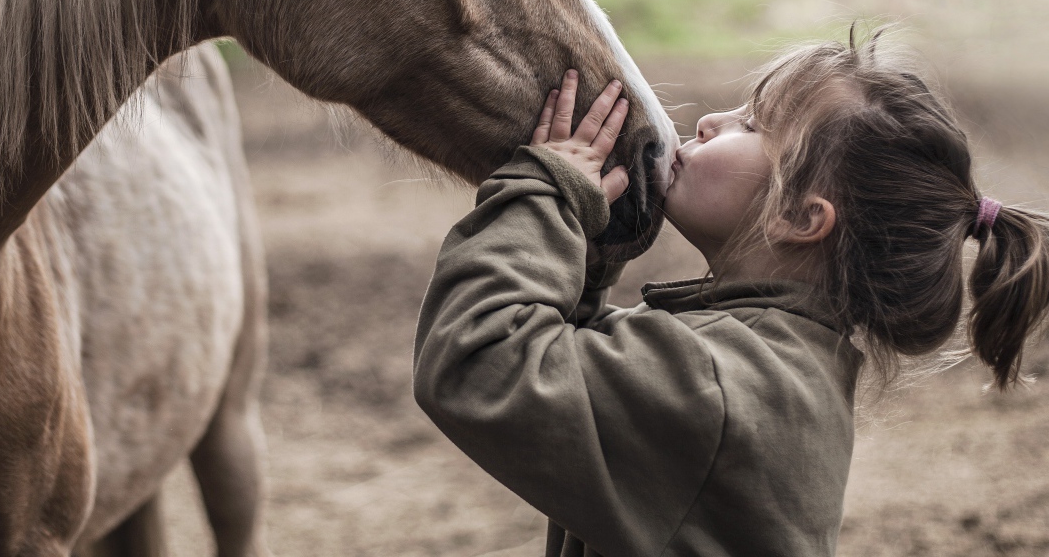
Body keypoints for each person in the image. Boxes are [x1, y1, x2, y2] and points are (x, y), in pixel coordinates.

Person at [413, 36, 1049, 557]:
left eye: (753, 124)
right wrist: (587, 242)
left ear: (801, 217)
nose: (712, 120)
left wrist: (545, 197)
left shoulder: (718, 386)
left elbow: (479, 359)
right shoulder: (776, 367)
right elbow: (578, 366)